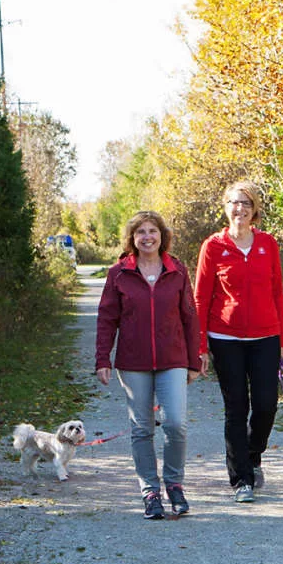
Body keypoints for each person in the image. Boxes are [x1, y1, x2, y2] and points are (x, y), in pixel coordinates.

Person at [95, 211, 199, 520]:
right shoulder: (118, 273)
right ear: (132, 238)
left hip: (173, 360)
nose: (147, 236)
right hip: (133, 362)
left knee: (176, 423)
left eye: (152, 230)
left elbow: (190, 317)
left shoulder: (177, 270)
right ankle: (150, 492)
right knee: (142, 429)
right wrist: (103, 358)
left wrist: (194, 360)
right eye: (140, 231)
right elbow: (106, 319)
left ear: (161, 235)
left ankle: (175, 484)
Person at [194, 181, 283, 503]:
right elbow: (200, 298)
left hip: (266, 337)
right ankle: (241, 479)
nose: (240, 208)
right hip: (225, 338)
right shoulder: (213, 246)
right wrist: (200, 346)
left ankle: (253, 453)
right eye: (235, 203)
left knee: (266, 405)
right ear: (226, 207)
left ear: (254, 209)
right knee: (236, 408)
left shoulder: (268, 244)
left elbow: (277, 294)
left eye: (246, 203)